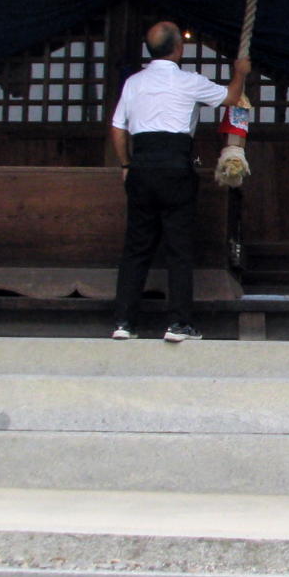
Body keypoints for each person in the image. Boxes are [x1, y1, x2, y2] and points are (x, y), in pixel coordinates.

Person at [109, 21, 249, 342]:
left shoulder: (133, 83)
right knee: (179, 248)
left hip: (141, 165)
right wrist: (240, 72)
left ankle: (124, 322)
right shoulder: (189, 81)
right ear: (178, 48)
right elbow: (232, 97)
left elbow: (118, 127)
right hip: (175, 166)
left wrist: (126, 163)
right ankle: (178, 324)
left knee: (136, 248)